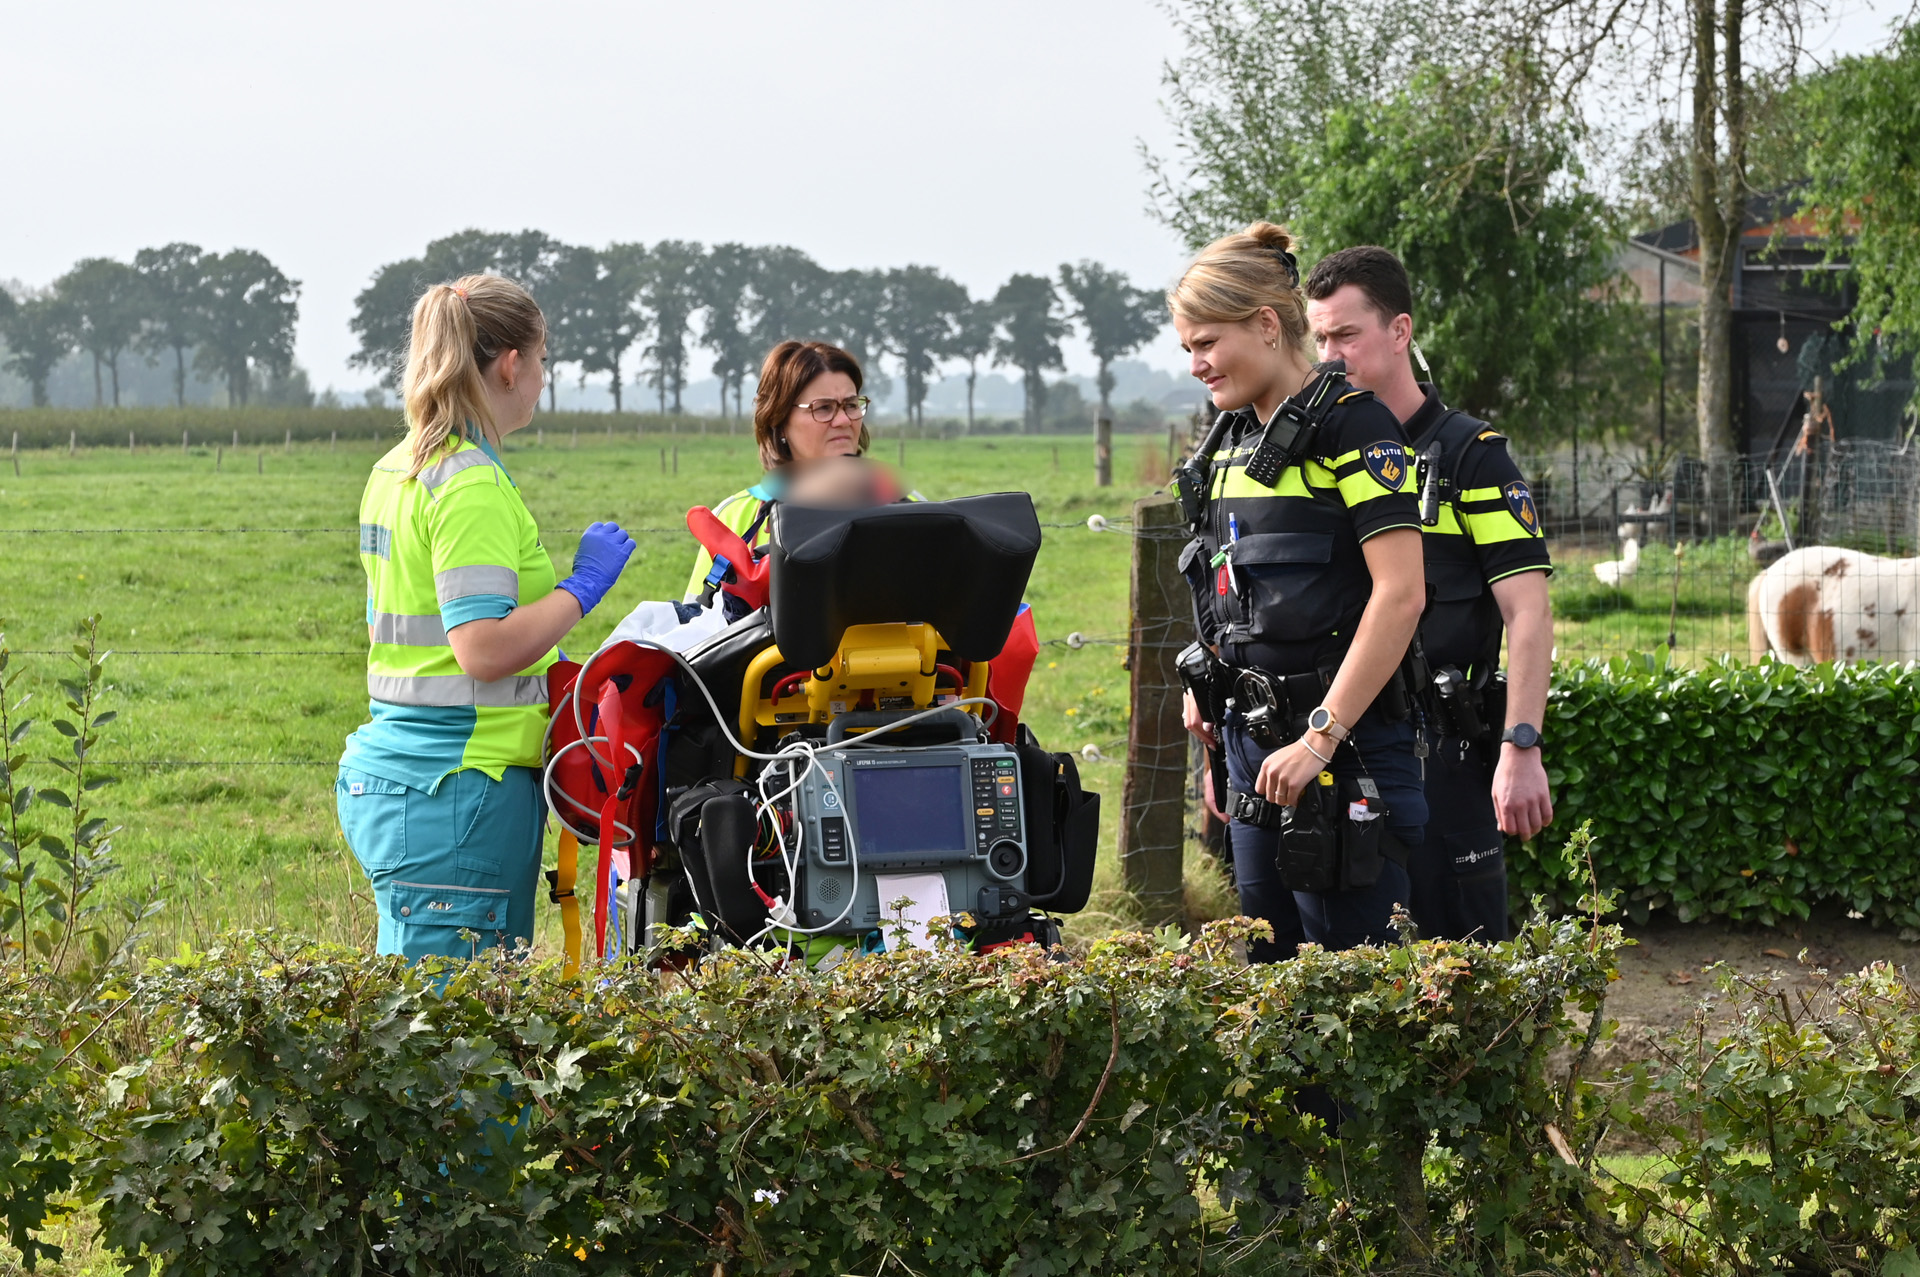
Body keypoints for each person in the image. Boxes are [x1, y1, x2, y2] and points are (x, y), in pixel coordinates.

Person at [337, 274, 637, 961]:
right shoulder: (469, 481)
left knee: (417, 1011)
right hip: (460, 788)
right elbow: (482, 649)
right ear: (510, 364)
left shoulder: (397, 469)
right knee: (457, 1019)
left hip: (406, 778)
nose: (543, 378)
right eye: (542, 360)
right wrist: (583, 588)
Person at [1171, 223, 1428, 959]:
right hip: (1252, 749)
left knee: (1356, 992)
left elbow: (1401, 594)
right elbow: (1224, 578)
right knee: (1271, 972)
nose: (1196, 365)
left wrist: (1320, 737)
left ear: (1265, 324)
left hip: (1344, 750)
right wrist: (1208, 693)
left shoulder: (1356, 426)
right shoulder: (1228, 442)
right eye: (1187, 348)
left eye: (1206, 342)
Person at [1303, 246, 1554, 943]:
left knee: (1463, 966)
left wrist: (1521, 746)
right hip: (1339, 744)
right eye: (1319, 339)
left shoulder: (1473, 456)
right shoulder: (1313, 457)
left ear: (1400, 331)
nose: (1329, 357)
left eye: (1346, 335)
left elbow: (1528, 612)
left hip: (1442, 752)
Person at [684, 340, 872, 605]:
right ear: (779, 420)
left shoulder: (907, 508)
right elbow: (696, 623)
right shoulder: (734, 518)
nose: (843, 420)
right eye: (823, 408)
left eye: (851, 405)